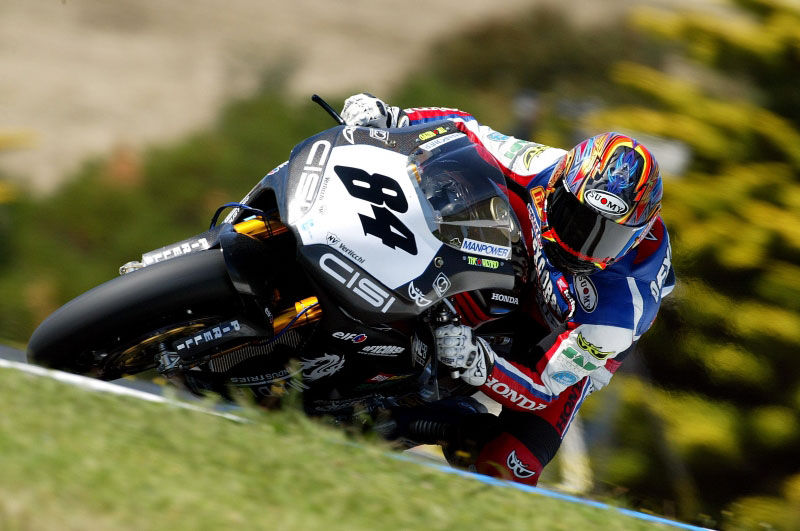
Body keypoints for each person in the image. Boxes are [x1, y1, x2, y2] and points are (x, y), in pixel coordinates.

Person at [339, 93, 675, 485]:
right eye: (574, 217)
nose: (581, 247)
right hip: (516, 262)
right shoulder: (543, 166)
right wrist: (392, 118)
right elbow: (463, 129)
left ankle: (447, 421)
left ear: (639, 235)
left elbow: (541, 388)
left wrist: (478, 361)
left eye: (608, 237)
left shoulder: (618, 313)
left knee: (508, 468)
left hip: (563, 341)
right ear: (557, 186)